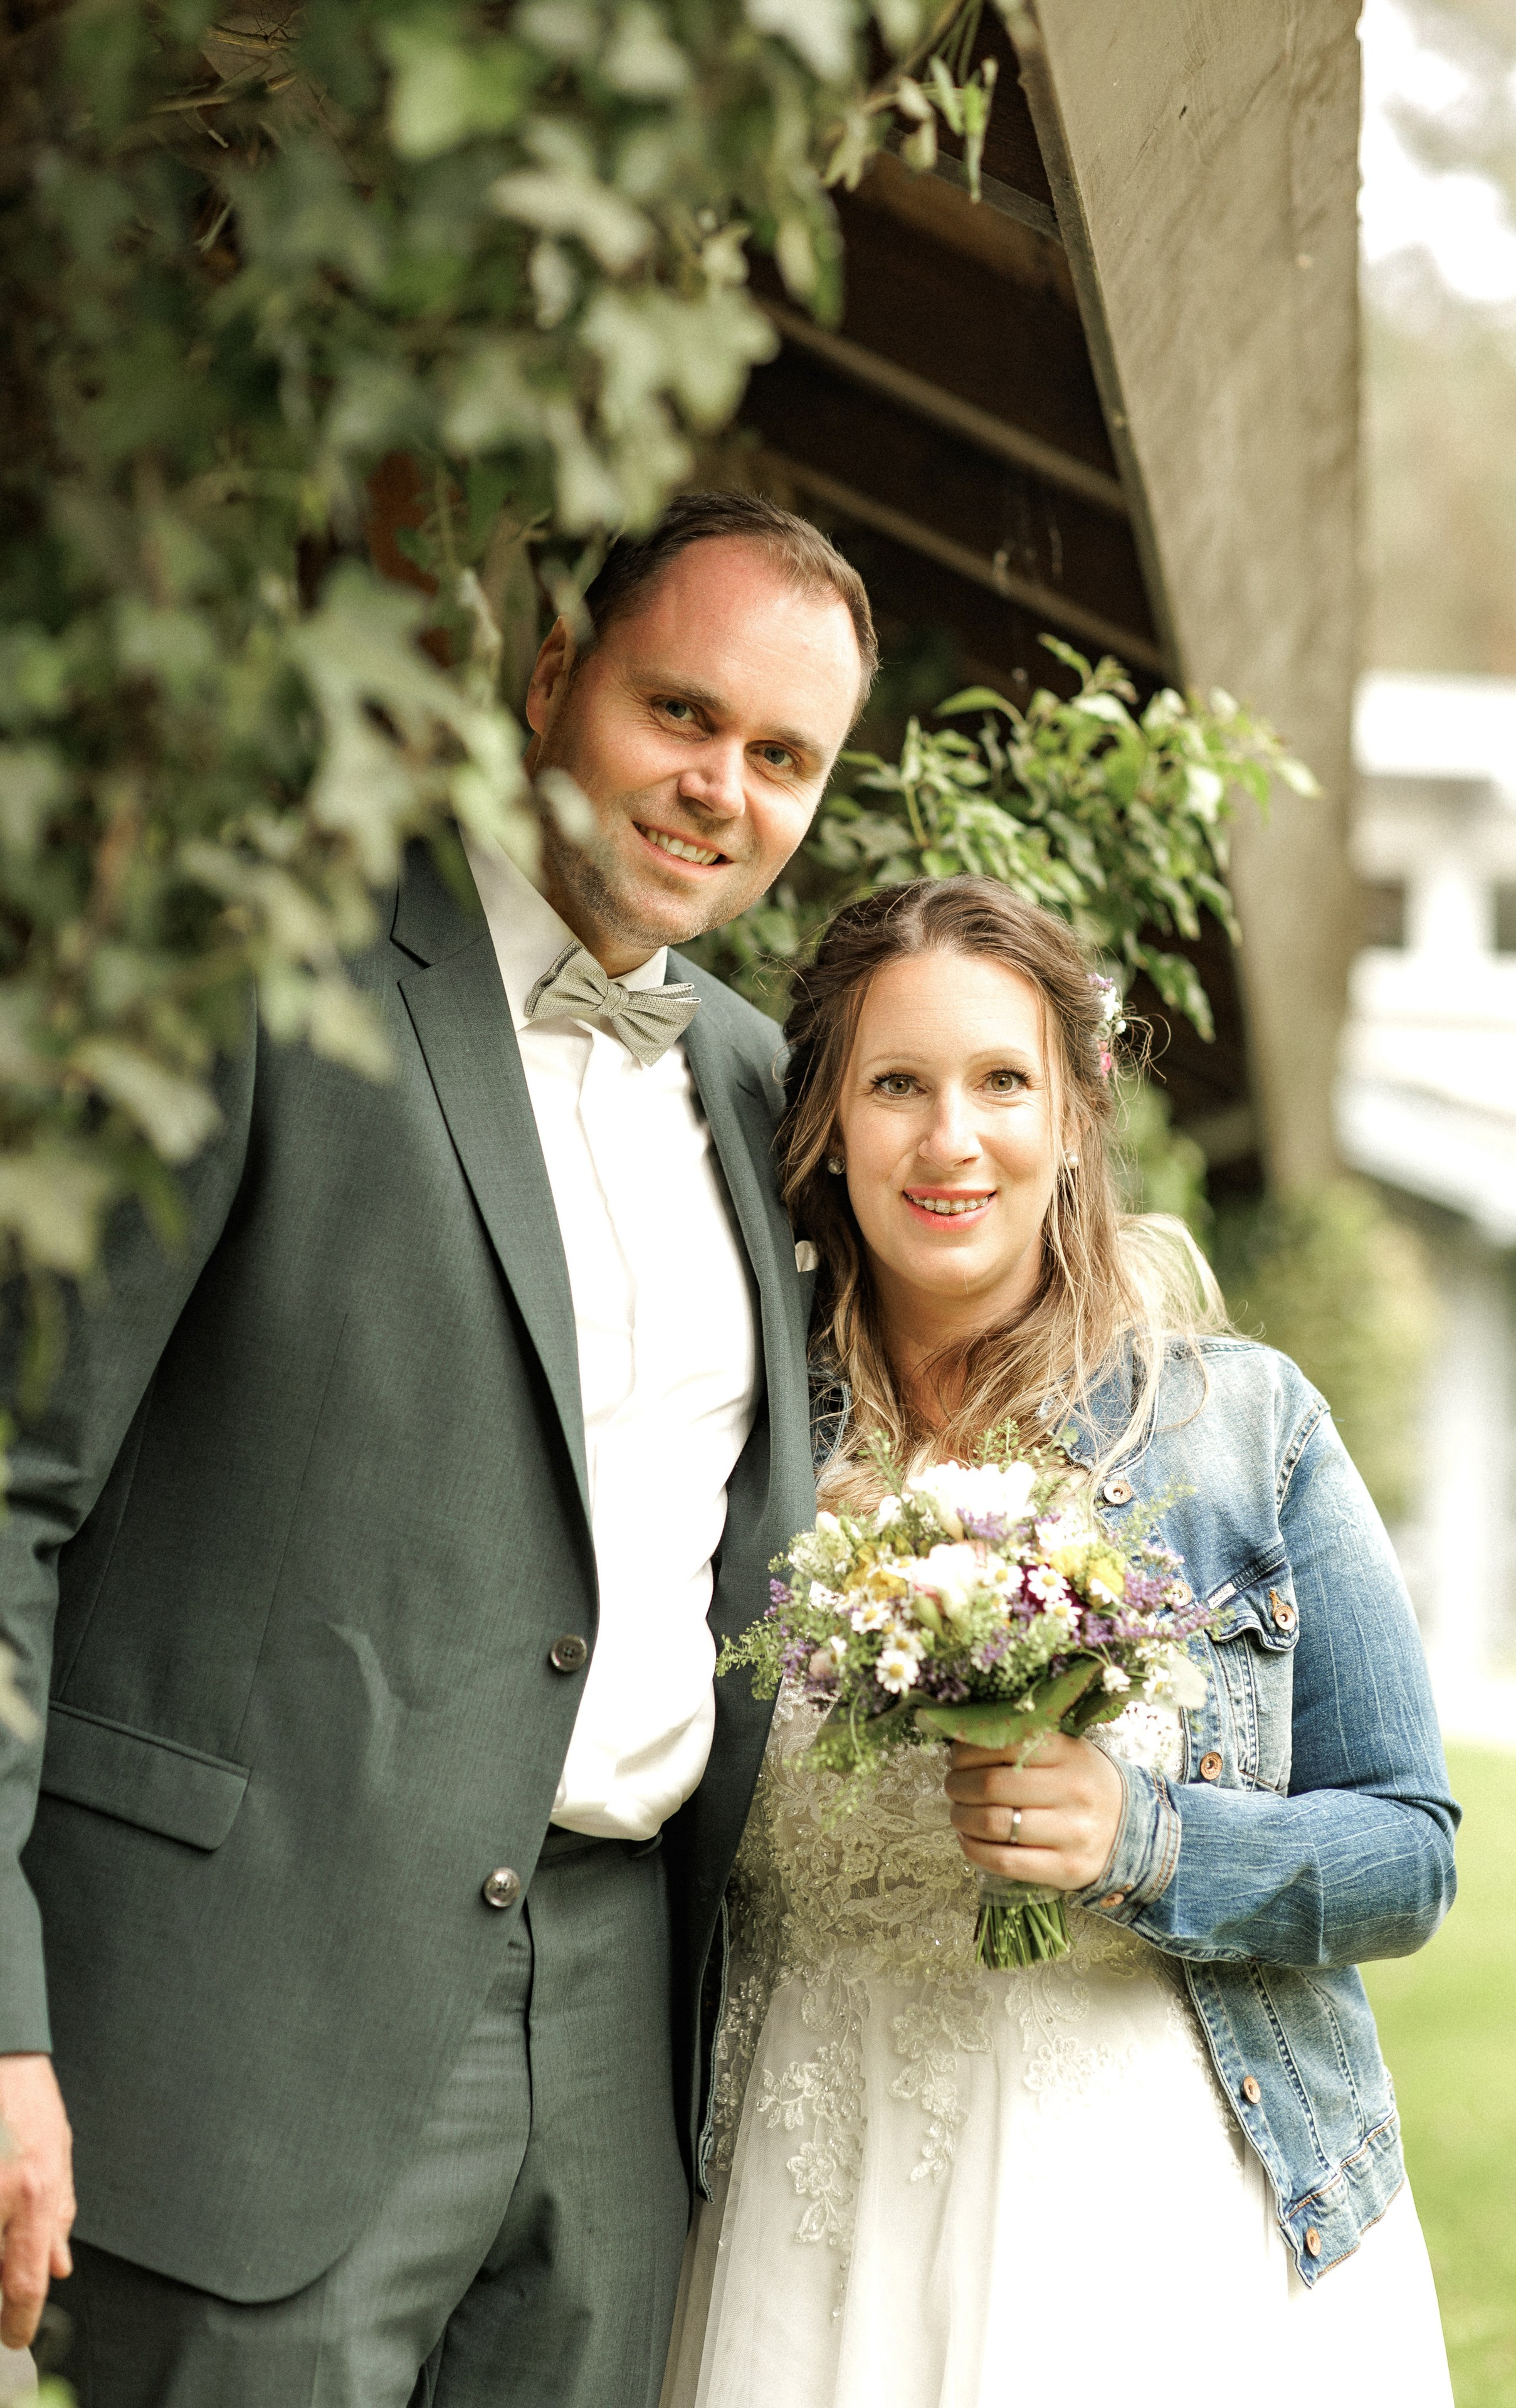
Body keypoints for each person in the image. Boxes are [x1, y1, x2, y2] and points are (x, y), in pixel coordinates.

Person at [0, 492, 873, 2404]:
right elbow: (14, 1495)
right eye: (682, 712)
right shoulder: (267, 969)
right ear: (554, 677)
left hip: (619, 2039)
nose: (720, 788)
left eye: (782, 757)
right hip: (250, 2027)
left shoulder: (762, 1091)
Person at [663, 876, 1457, 2408]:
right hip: (800, 2213)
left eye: (1000, 1082)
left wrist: (1141, 1837)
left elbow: (1405, 1854)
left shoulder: (1238, 1428)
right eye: (896, 1085)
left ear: (1078, 1113)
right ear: (823, 1123)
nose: (949, 1140)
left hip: (1151, 2221)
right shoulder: (735, 1435)